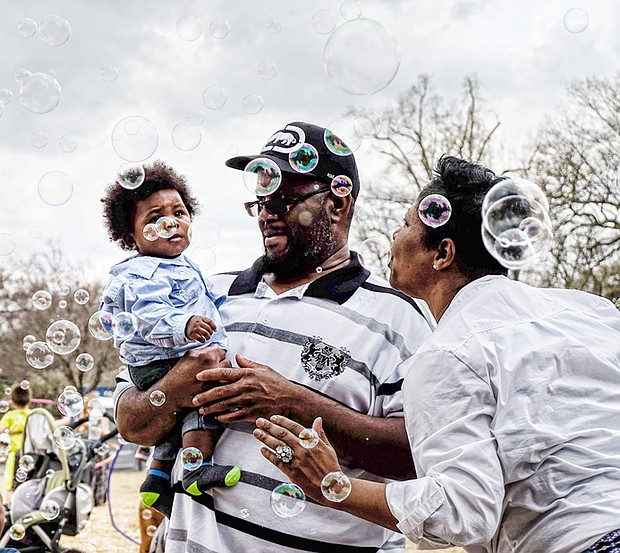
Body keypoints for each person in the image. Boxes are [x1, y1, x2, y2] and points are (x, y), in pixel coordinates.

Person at [252, 155, 620, 553]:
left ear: (442, 253)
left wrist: (332, 485)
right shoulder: (590, 311)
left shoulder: (449, 352)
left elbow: (464, 515)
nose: (395, 234)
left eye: (407, 224)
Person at [113, 121, 434, 552]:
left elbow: (421, 459)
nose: (267, 211)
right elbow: (132, 421)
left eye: (284, 197)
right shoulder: (203, 296)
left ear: (338, 205)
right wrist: (175, 388)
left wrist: (290, 402)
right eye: (262, 197)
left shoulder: (401, 319)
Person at [100, 160, 240, 518]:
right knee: (201, 405)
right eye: (154, 218)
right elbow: (147, 316)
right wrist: (184, 325)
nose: (171, 222)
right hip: (160, 360)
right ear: (130, 236)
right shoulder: (143, 272)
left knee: (174, 417)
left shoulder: (178, 263)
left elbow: (203, 297)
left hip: (170, 358)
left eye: (179, 212)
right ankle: (196, 471)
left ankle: (157, 478)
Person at [0, 384, 31, 505]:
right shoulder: (32, 414)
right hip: (30, 454)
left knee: (10, 484)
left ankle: (9, 508)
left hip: (14, 455)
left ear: (12, 401)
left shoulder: (10, 416)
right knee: (28, 483)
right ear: (29, 400)